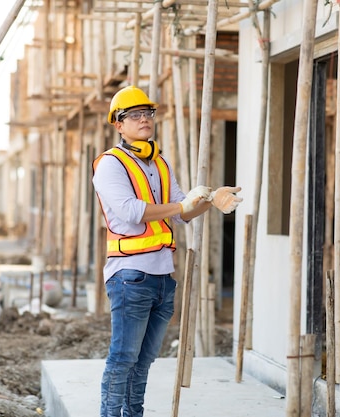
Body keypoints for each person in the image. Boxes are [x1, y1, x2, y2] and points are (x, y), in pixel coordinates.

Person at [92, 85, 242, 417]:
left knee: (144, 361)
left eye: (148, 113)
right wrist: (184, 202)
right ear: (118, 124)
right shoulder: (110, 164)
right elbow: (131, 210)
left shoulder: (159, 162)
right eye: (134, 115)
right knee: (122, 359)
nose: (144, 119)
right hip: (130, 276)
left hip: (162, 278)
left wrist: (210, 201)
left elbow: (181, 212)